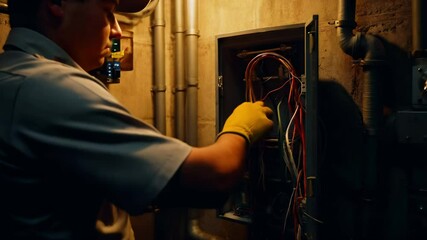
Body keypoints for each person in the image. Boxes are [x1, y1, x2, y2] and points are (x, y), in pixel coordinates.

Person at [0, 0, 274, 239]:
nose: (117, 30)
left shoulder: (13, 75)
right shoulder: (50, 87)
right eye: (108, 11)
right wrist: (240, 129)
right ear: (57, 3)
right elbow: (211, 179)